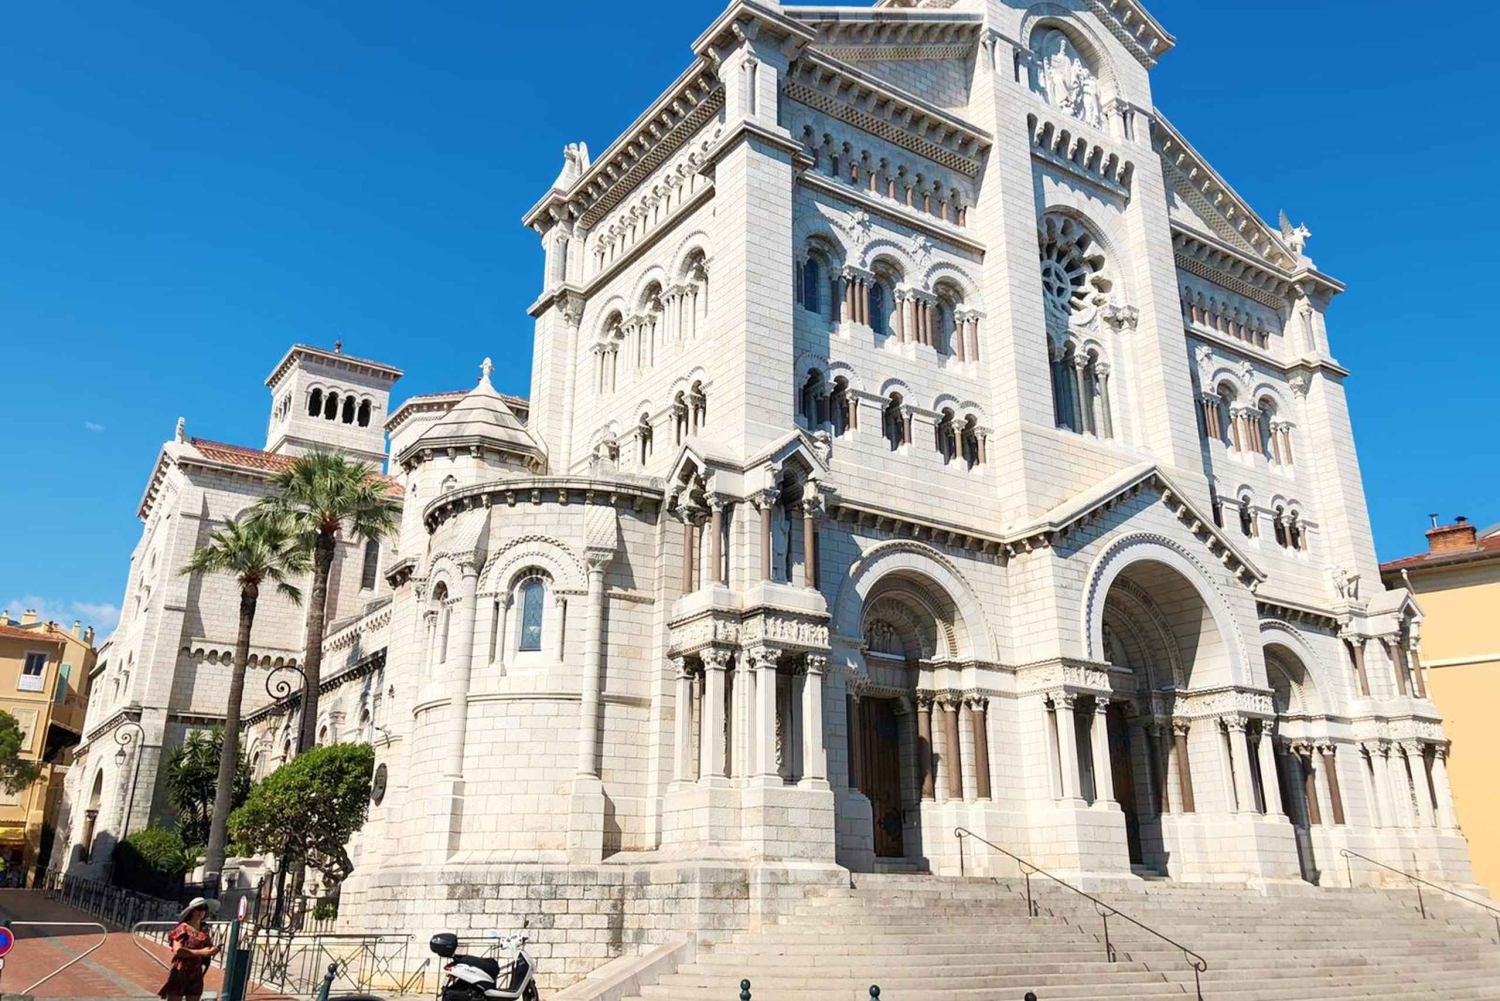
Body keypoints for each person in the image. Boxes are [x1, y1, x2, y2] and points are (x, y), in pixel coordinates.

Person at [158, 897, 221, 1001]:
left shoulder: (203, 930)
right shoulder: (183, 928)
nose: (202, 911)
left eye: (204, 908)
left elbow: (207, 948)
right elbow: (178, 951)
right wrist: (201, 952)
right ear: (192, 911)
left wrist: (212, 950)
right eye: (199, 908)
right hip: (181, 971)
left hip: (196, 972)